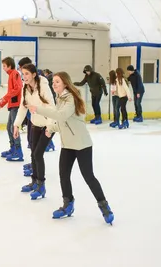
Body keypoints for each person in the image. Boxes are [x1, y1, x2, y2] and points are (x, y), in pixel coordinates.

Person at [27, 71, 114, 225]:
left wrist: (38, 109)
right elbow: (62, 122)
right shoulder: (60, 99)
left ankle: (104, 205)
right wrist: (51, 128)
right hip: (67, 145)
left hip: (82, 145)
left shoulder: (71, 99)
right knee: (64, 175)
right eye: (53, 82)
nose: (54, 84)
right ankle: (68, 205)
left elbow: (60, 116)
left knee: (88, 177)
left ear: (65, 84)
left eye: (57, 82)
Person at [13, 63, 55, 199]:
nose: (24, 76)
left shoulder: (43, 86)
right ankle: (34, 182)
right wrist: (16, 125)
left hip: (48, 125)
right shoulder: (25, 87)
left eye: (26, 74)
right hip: (35, 124)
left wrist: (49, 127)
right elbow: (22, 107)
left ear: (34, 74)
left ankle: (41, 186)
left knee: (37, 154)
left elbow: (52, 107)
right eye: (22, 74)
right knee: (33, 153)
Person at [0, 57, 23, 161]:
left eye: (4, 66)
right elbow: (10, 93)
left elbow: (17, 88)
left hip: (16, 105)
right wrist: (1, 104)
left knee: (13, 128)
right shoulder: (11, 75)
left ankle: (18, 151)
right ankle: (13, 148)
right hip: (12, 105)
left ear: (10, 66)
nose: (3, 68)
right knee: (9, 127)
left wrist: (3, 100)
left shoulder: (14, 73)